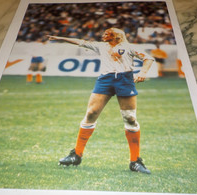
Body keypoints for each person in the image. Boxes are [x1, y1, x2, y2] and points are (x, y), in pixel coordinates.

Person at [47, 28, 154, 174]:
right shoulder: (101, 46)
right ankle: (76, 155)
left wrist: (142, 73)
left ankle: (135, 161)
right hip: (105, 80)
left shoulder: (129, 47)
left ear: (116, 36)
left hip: (125, 80)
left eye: (106, 33)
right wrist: (60, 38)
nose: (103, 35)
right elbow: (81, 42)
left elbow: (148, 58)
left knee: (130, 118)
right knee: (91, 113)